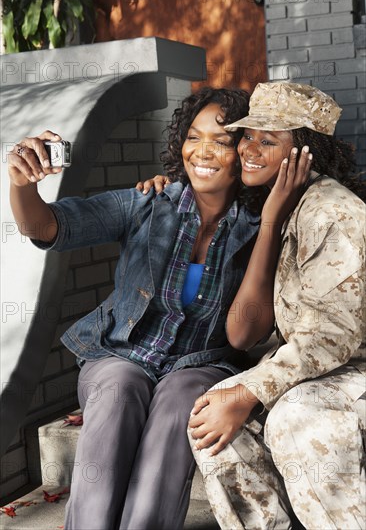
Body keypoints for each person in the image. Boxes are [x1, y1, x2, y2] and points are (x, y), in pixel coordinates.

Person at [7, 86, 311, 530]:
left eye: (222, 141)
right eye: (193, 136)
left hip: (200, 363)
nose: (203, 151)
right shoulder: (148, 203)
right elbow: (46, 225)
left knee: (181, 404)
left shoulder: (259, 226)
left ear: (244, 152)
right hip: (120, 355)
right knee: (117, 390)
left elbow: (243, 336)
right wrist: (21, 185)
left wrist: (269, 226)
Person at [142, 82, 366, 530]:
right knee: (210, 417)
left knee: (297, 418)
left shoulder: (333, 213)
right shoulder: (280, 206)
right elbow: (243, 333)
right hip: (324, 368)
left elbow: (332, 336)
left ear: (307, 153)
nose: (249, 149)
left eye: (269, 140)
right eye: (247, 135)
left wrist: (249, 391)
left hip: (351, 366)